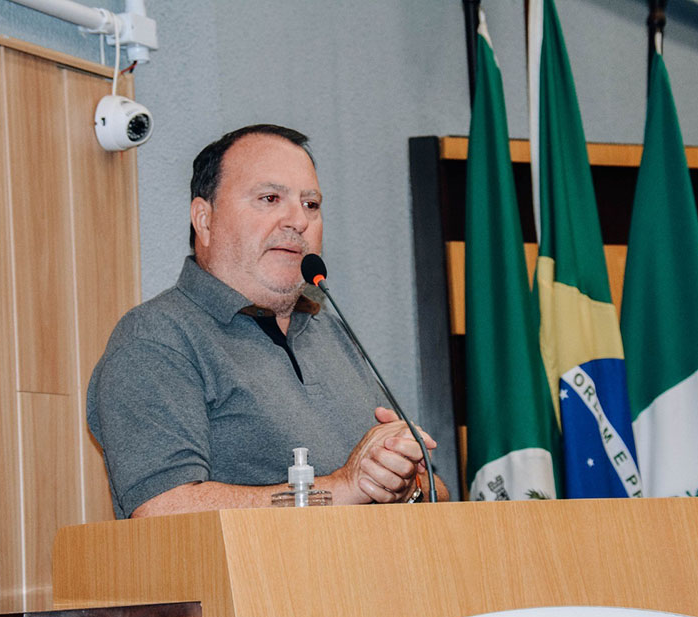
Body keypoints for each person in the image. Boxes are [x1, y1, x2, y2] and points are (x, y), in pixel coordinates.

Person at [87, 124, 446, 518]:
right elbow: (163, 510)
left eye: (311, 205)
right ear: (204, 220)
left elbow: (436, 490)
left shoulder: (332, 332)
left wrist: (403, 479)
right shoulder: (156, 339)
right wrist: (345, 486)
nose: (298, 221)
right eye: (270, 198)